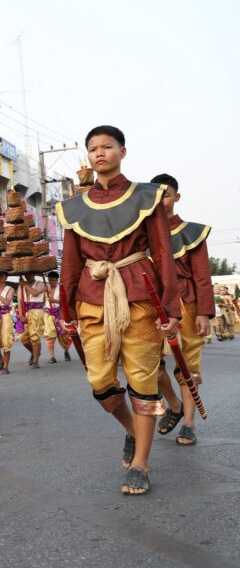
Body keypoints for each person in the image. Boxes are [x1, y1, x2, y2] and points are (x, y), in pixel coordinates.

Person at [58, 125, 179, 496]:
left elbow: (163, 253)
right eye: (93, 148)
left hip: (141, 298)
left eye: (107, 146)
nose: (99, 153)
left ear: (122, 152)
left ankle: (141, 463)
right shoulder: (73, 208)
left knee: (143, 381)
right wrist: (65, 309)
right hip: (91, 299)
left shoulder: (147, 196)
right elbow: (70, 262)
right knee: (100, 384)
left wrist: (171, 307)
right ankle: (132, 431)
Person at [149, 174, 214, 447]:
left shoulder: (192, 232)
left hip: (186, 304)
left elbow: (202, 276)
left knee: (187, 367)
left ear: (177, 197)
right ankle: (174, 405)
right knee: (150, 366)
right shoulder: (143, 235)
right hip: (152, 307)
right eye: (155, 195)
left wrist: (203, 312)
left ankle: (188, 423)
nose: (160, 200)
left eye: (166, 195)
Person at [18, 271, 47, 368]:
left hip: (37, 311)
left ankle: (35, 361)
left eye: (30, 273)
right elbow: (20, 301)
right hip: (25, 311)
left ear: (34, 273)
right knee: (22, 337)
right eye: (26, 274)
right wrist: (21, 315)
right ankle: (35, 353)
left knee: (35, 336)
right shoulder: (21, 286)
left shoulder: (40, 283)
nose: (28, 275)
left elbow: (35, 293)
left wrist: (24, 284)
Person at [43, 271, 72, 363]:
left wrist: (54, 300)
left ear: (56, 280)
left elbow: (65, 302)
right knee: (49, 335)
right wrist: (44, 293)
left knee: (63, 335)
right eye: (49, 280)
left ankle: (66, 351)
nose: (51, 282)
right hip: (48, 313)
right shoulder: (45, 288)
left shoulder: (61, 288)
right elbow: (42, 301)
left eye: (53, 280)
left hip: (59, 313)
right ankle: (52, 357)